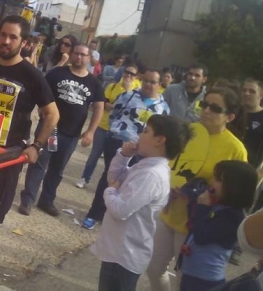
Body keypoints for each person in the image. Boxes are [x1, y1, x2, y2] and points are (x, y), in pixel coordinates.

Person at [0, 15, 59, 285]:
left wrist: (36, 146)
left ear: (24, 42)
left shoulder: (32, 75)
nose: (5, 41)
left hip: (7, 154)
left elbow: (52, 115)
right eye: (3, 35)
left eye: (12, 37)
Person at [146, 87, 249, 291]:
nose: (207, 110)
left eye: (215, 108)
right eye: (204, 104)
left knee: (184, 279)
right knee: (153, 268)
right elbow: (170, 163)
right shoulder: (188, 131)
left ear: (229, 116)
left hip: (198, 223)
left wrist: (200, 195)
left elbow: (237, 195)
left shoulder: (236, 149)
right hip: (169, 213)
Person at [90, 116, 192, 291]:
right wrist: (123, 156)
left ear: (159, 140)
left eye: (145, 131)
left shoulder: (151, 175)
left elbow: (120, 210)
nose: (139, 134)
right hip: (118, 251)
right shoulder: (145, 167)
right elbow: (114, 178)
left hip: (124, 256)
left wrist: (110, 191)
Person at [19, 43, 105, 216]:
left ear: (89, 58)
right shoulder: (57, 73)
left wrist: (91, 131)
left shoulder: (94, 83)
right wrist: (42, 111)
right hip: (50, 129)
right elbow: (41, 92)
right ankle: (27, 200)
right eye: (76, 53)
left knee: (57, 169)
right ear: (71, 55)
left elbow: (99, 107)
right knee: (39, 164)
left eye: (83, 55)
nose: (79, 57)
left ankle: (46, 201)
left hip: (71, 134)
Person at [82, 69, 170, 229]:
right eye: (146, 80)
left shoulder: (163, 108)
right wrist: (120, 132)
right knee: (110, 178)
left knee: (131, 182)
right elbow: (114, 114)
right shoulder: (128, 96)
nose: (148, 84)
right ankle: (94, 214)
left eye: (153, 82)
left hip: (144, 152)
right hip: (119, 144)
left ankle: (115, 213)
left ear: (159, 84)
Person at [177, 160, 258, 291]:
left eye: (218, 180)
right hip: (191, 273)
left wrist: (203, 207)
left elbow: (201, 237)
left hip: (205, 280)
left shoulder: (234, 217)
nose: (212, 182)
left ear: (234, 187)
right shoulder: (219, 205)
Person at [75, 63, 141, 189]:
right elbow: (102, 103)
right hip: (103, 125)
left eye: (132, 74)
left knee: (114, 160)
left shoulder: (137, 90)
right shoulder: (112, 86)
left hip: (120, 132)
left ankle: (109, 184)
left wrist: (123, 95)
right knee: (94, 154)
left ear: (136, 76)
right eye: (127, 72)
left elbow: (131, 109)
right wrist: (112, 105)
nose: (128, 75)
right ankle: (85, 177)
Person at [241, 79, 263, 168]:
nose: (247, 93)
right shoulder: (232, 113)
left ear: (261, 95)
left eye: (252, 91)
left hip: (251, 168)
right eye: (244, 90)